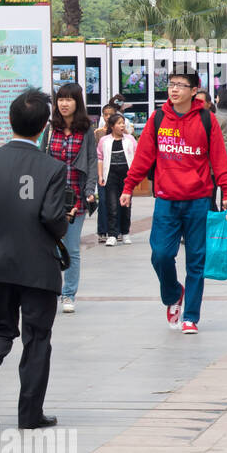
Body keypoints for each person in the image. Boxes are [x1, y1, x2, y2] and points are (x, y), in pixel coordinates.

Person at [0, 89, 67, 430]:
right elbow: (52, 219)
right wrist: (67, 217)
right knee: (37, 338)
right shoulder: (53, 168)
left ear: (10, 120)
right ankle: (29, 413)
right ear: (43, 127)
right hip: (38, 266)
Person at [120, 71, 227, 335]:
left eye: (180, 86)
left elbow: (219, 158)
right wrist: (128, 186)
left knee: (196, 260)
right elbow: (144, 156)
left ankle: (191, 316)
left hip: (198, 200)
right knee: (160, 255)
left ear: (194, 91)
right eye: (171, 85)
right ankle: (174, 294)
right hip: (166, 201)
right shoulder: (159, 118)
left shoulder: (207, 120)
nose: (173, 90)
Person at [42, 82, 97, 314]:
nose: (64, 104)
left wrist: (90, 190)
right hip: (52, 197)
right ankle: (52, 289)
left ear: (78, 103)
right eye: (60, 99)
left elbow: (92, 161)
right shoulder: (50, 129)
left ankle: (68, 294)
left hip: (75, 195)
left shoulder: (86, 130)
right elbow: (41, 159)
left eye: (69, 99)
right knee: (50, 246)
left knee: (71, 247)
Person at [97, 114, 136, 246]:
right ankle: (112, 234)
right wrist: (100, 175)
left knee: (126, 205)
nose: (122, 125)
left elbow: (137, 157)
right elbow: (100, 158)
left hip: (126, 176)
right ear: (112, 126)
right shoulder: (104, 140)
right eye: (119, 123)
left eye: (123, 123)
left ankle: (125, 233)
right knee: (112, 205)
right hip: (110, 176)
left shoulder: (130, 139)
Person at [94, 101, 121, 243]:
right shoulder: (98, 133)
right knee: (104, 201)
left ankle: (118, 230)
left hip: (118, 171)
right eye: (106, 114)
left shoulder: (122, 132)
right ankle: (102, 230)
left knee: (116, 202)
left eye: (111, 114)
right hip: (103, 172)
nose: (108, 117)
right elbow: (96, 156)